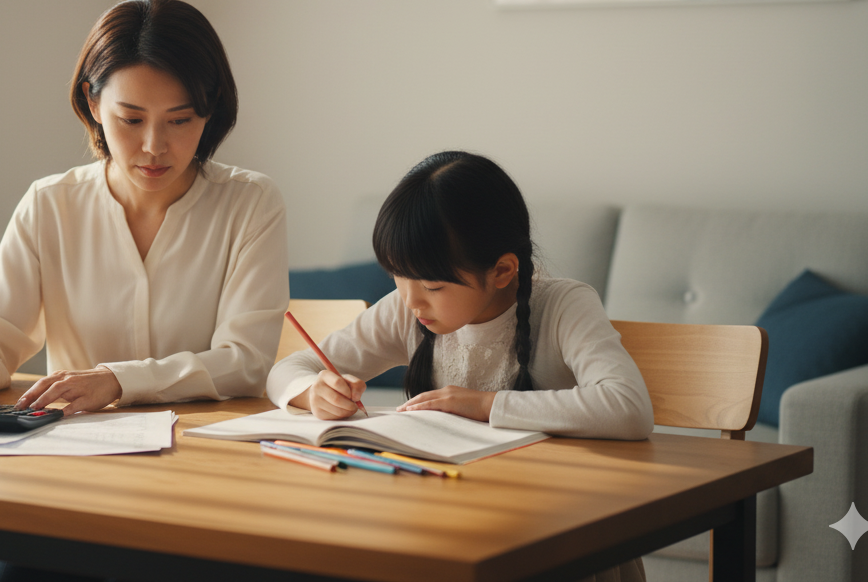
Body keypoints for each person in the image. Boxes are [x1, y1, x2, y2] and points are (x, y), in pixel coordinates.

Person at [266, 150, 651, 582]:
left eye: (431, 284)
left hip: (557, 532)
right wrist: (311, 389)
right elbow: (288, 368)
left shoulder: (563, 305)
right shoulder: (405, 310)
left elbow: (628, 406)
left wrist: (486, 405)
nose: (411, 301)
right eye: (398, 276)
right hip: (447, 521)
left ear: (503, 270)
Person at [0, 0, 288, 420]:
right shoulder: (50, 205)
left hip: (204, 454)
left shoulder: (250, 204)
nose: (154, 147)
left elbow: (245, 363)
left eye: (180, 120)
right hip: (76, 453)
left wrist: (117, 380)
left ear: (210, 110)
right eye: (132, 120)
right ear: (93, 103)